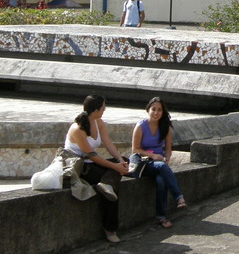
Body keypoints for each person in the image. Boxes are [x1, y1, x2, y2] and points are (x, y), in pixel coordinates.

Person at [64, 95, 129, 243]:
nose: (105, 109)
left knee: (124, 160)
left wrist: (119, 160)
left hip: (92, 163)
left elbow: (108, 143)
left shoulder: (99, 123)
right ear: (95, 110)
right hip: (81, 167)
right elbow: (91, 156)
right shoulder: (78, 128)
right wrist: (115, 167)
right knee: (112, 185)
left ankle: (107, 184)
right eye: (103, 107)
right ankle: (110, 229)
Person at [130, 97, 187, 228]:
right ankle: (178, 197)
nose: (156, 113)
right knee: (161, 166)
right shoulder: (140, 126)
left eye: (159, 110)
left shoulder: (164, 127)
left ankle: (162, 217)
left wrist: (167, 158)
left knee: (161, 182)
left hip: (159, 164)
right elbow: (135, 149)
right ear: (148, 110)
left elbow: (168, 148)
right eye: (153, 109)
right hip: (144, 163)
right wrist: (153, 155)